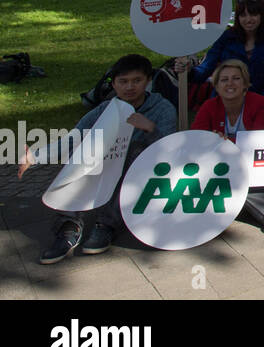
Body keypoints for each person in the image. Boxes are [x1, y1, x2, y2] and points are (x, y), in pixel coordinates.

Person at [25, 55, 177, 264]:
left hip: (143, 169)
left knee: (133, 150)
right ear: (114, 84)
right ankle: (69, 224)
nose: (130, 87)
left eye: (137, 80)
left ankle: (106, 225)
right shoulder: (106, 109)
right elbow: (75, 137)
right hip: (106, 164)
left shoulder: (163, 108)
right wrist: (35, 157)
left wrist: (150, 129)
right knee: (83, 150)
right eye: (123, 82)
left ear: (148, 81)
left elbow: (170, 152)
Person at [184, 0, 264, 107]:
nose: (248, 19)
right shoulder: (226, 38)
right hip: (225, 102)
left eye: (253, 14)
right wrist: (189, 71)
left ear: (262, 16)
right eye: (243, 15)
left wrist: (262, 103)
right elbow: (207, 66)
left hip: (260, 104)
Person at [191, 58, 264, 139]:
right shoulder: (209, 105)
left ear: (245, 83)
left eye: (236, 78)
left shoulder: (260, 103)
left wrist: (221, 141)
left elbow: (259, 139)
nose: (230, 83)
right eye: (224, 80)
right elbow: (196, 137)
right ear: (217, 86)